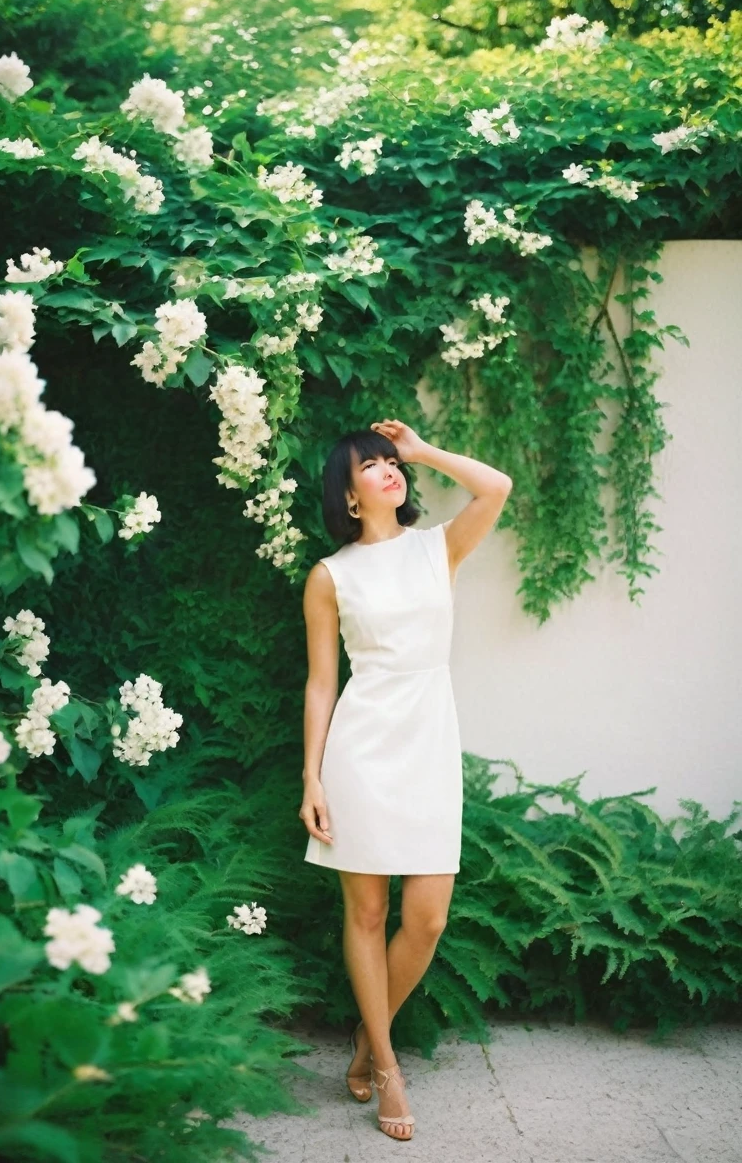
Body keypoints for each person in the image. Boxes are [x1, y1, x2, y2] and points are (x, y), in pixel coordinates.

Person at [299, 417, 512, 1141]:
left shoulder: (436, 549)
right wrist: (311, 778)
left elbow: (496, 487)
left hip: (428, 741)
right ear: (349, 496)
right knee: (364, 914)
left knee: (426, 918)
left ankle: (369, 1034)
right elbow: (322, 685)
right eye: (373, 465)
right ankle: (386, 1068)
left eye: (393, 461)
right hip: (360, 749)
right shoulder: (330, 577)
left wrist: (424, 450)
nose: (389, 469)